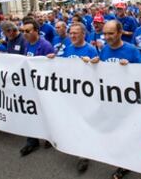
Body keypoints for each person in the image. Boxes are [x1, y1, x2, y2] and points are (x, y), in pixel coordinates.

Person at [47, 22, 98, 173]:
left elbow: (99, 73)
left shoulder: (90, 49)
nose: (73, 35)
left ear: (83, 34)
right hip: (71, 93)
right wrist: (52, 59)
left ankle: (84, 155)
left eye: (76, 33)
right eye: (71, 33)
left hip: (86, 95)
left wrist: (92, 64)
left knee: (84, 123)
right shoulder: (68, 48)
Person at [97, 20, 141, 179]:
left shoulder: (131, 50)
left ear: (120, 33)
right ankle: (123, 161)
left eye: (111, 33)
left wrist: (130, 68)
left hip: (128, 102)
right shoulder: (103, 50)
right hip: (111, 101)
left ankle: (126, 164)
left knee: (127, 133)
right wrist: (93, 64)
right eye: (105, 33)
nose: (107, 37)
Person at [19, 18, 54, 157]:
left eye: (27, 31)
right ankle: (31, 141)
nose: (24, 34)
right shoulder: (26, 44)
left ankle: (49, 136)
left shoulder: (46, 46)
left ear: (36, 31)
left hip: (42, 87)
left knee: (45, 113)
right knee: (31, 113)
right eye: (22, 31)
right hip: (30, 85)